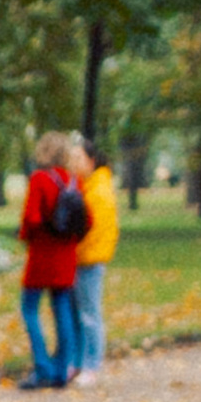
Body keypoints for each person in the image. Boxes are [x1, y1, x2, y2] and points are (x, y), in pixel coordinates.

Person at [17, 129, 86, 389]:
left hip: (42, 255)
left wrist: (26, 234)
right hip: (65, 256)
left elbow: (32, 218)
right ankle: (61, 371)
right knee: (63, 312)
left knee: (30, 309)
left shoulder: (39, 179)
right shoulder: (73, 181)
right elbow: (85, 219)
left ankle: (42, 367)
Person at [71, 135, 119, 380]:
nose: (73, 162)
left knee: (89, 315)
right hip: (81, 259)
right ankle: (78, 362)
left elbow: (93, 230)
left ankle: (91, 364)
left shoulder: (98, 189)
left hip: (89, 260)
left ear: (91, 160)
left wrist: (73, 250)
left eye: (78, 157)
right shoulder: (86, 185)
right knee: (79, 314)